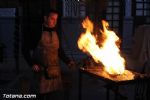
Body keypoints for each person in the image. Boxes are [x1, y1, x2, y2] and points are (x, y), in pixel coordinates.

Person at [22, 9, 75, 100]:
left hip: (55, 73)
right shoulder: (37, 32)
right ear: (45, 18)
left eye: (56, 19)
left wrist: (68, 61)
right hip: (41, 73)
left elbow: (59, 51)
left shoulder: (56, 32)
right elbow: (24, 49)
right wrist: (31, 64)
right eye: (52, 19)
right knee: (39, 96)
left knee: (54, 96)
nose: (55, 21)